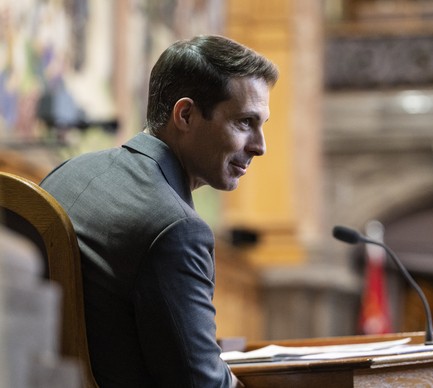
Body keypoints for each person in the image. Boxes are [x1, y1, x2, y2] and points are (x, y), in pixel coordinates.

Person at [40, 35, 278, 387]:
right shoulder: (176, 229)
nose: (260, 146)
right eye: (245, 122)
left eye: (262, 125)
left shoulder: (67, 173)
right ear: (185, 115)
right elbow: (202, 385)